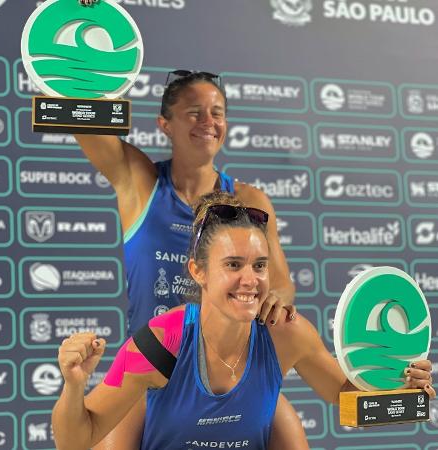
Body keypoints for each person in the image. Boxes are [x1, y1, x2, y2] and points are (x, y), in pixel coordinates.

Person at [73, 0, 301, 445]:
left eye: (217, 112)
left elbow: (284, 285)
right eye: (194, 112)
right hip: (156, 369)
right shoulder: (139, 181)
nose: (208, 121)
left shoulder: (250, 200)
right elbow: (81, 112)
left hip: (233, 371)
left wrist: (274, 297)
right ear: (164, 123)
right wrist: (81, 18)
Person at [52, 192, 436, 450]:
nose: (250, 280)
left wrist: (404, 388)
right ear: (198, 272)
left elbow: (350, 401)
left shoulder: (286, 333)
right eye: (233, 265)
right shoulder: (159, 342)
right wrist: (72, 385)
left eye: (259, 265)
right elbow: (76, 438)